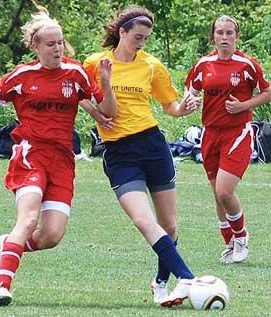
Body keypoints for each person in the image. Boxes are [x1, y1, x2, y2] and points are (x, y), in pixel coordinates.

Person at [0, 6, 116, 306]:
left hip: (63, 161)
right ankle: (1, 286)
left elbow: (107, 115)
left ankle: (8, 246)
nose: (57, 48)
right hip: (30, 154)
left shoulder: (75, 74)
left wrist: (105, 83)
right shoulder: (21, 76)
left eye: (60, 42)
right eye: (50, 44)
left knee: (51, 235)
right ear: (35, 46)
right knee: (28, 218)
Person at [82, 5, 201, 307]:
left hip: (152, 145)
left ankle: (161, 282)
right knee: (142, 219)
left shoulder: (151, 65)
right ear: (121, 32)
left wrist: (183, 109)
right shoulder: (96, 63)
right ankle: (186, 277)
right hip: (120, 153)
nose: (141, 43)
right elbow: (77, 92)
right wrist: (95, 112)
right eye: (137, 36)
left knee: (169, 226)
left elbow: (169, 105)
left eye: (146, 39)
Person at [185, 15, 271, 264]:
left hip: (238, 133)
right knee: (216, 193)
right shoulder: (204, 64)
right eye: (220, 33)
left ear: (237, 36)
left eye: (229, 33)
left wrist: (244, 105)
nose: (224, 37)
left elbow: (266, 92)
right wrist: (190, 102)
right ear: (213, 36)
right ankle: (230, 243)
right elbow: (190, 91)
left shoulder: (247, 65)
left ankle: (242, 236)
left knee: (224, 191)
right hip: (210, 133)